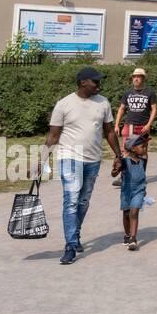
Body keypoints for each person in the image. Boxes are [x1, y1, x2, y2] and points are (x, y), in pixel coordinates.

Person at [43, 67, 124, 265]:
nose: (99, 85)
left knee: (83, 201)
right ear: (83, 82)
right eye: (95, 81)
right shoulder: (64, 104)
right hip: (69, 157)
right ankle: (70, 246)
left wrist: (118, 155)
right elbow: (53, 135)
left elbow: (109, 132)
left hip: (93, 160)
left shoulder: (103, 103)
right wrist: (41, 160)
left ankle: (75, 234)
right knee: (71, 200)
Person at [113, 68, 156, 186]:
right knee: (126, 151)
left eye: (138, 76)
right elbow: (121, 109)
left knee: (142, 152)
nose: (136, 79)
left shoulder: (150, 92)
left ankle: (141, 176)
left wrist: (148, 125)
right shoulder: (128, 93)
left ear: (143, 78)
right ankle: (124, 177)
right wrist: (117, 125)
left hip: (143, 127)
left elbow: (154, 109)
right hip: (129, 125)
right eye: (134, 76)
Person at [112, 132, 148, 251]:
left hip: (139, 190)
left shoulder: (143, 160)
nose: (145, 149)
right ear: (133, 148)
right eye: (142, 147)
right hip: (126, 191)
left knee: (134, 212)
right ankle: (127, 235)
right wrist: (116, 168)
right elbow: (114, 174)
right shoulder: (124, 161)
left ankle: (133, 238)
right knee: (126, 213)